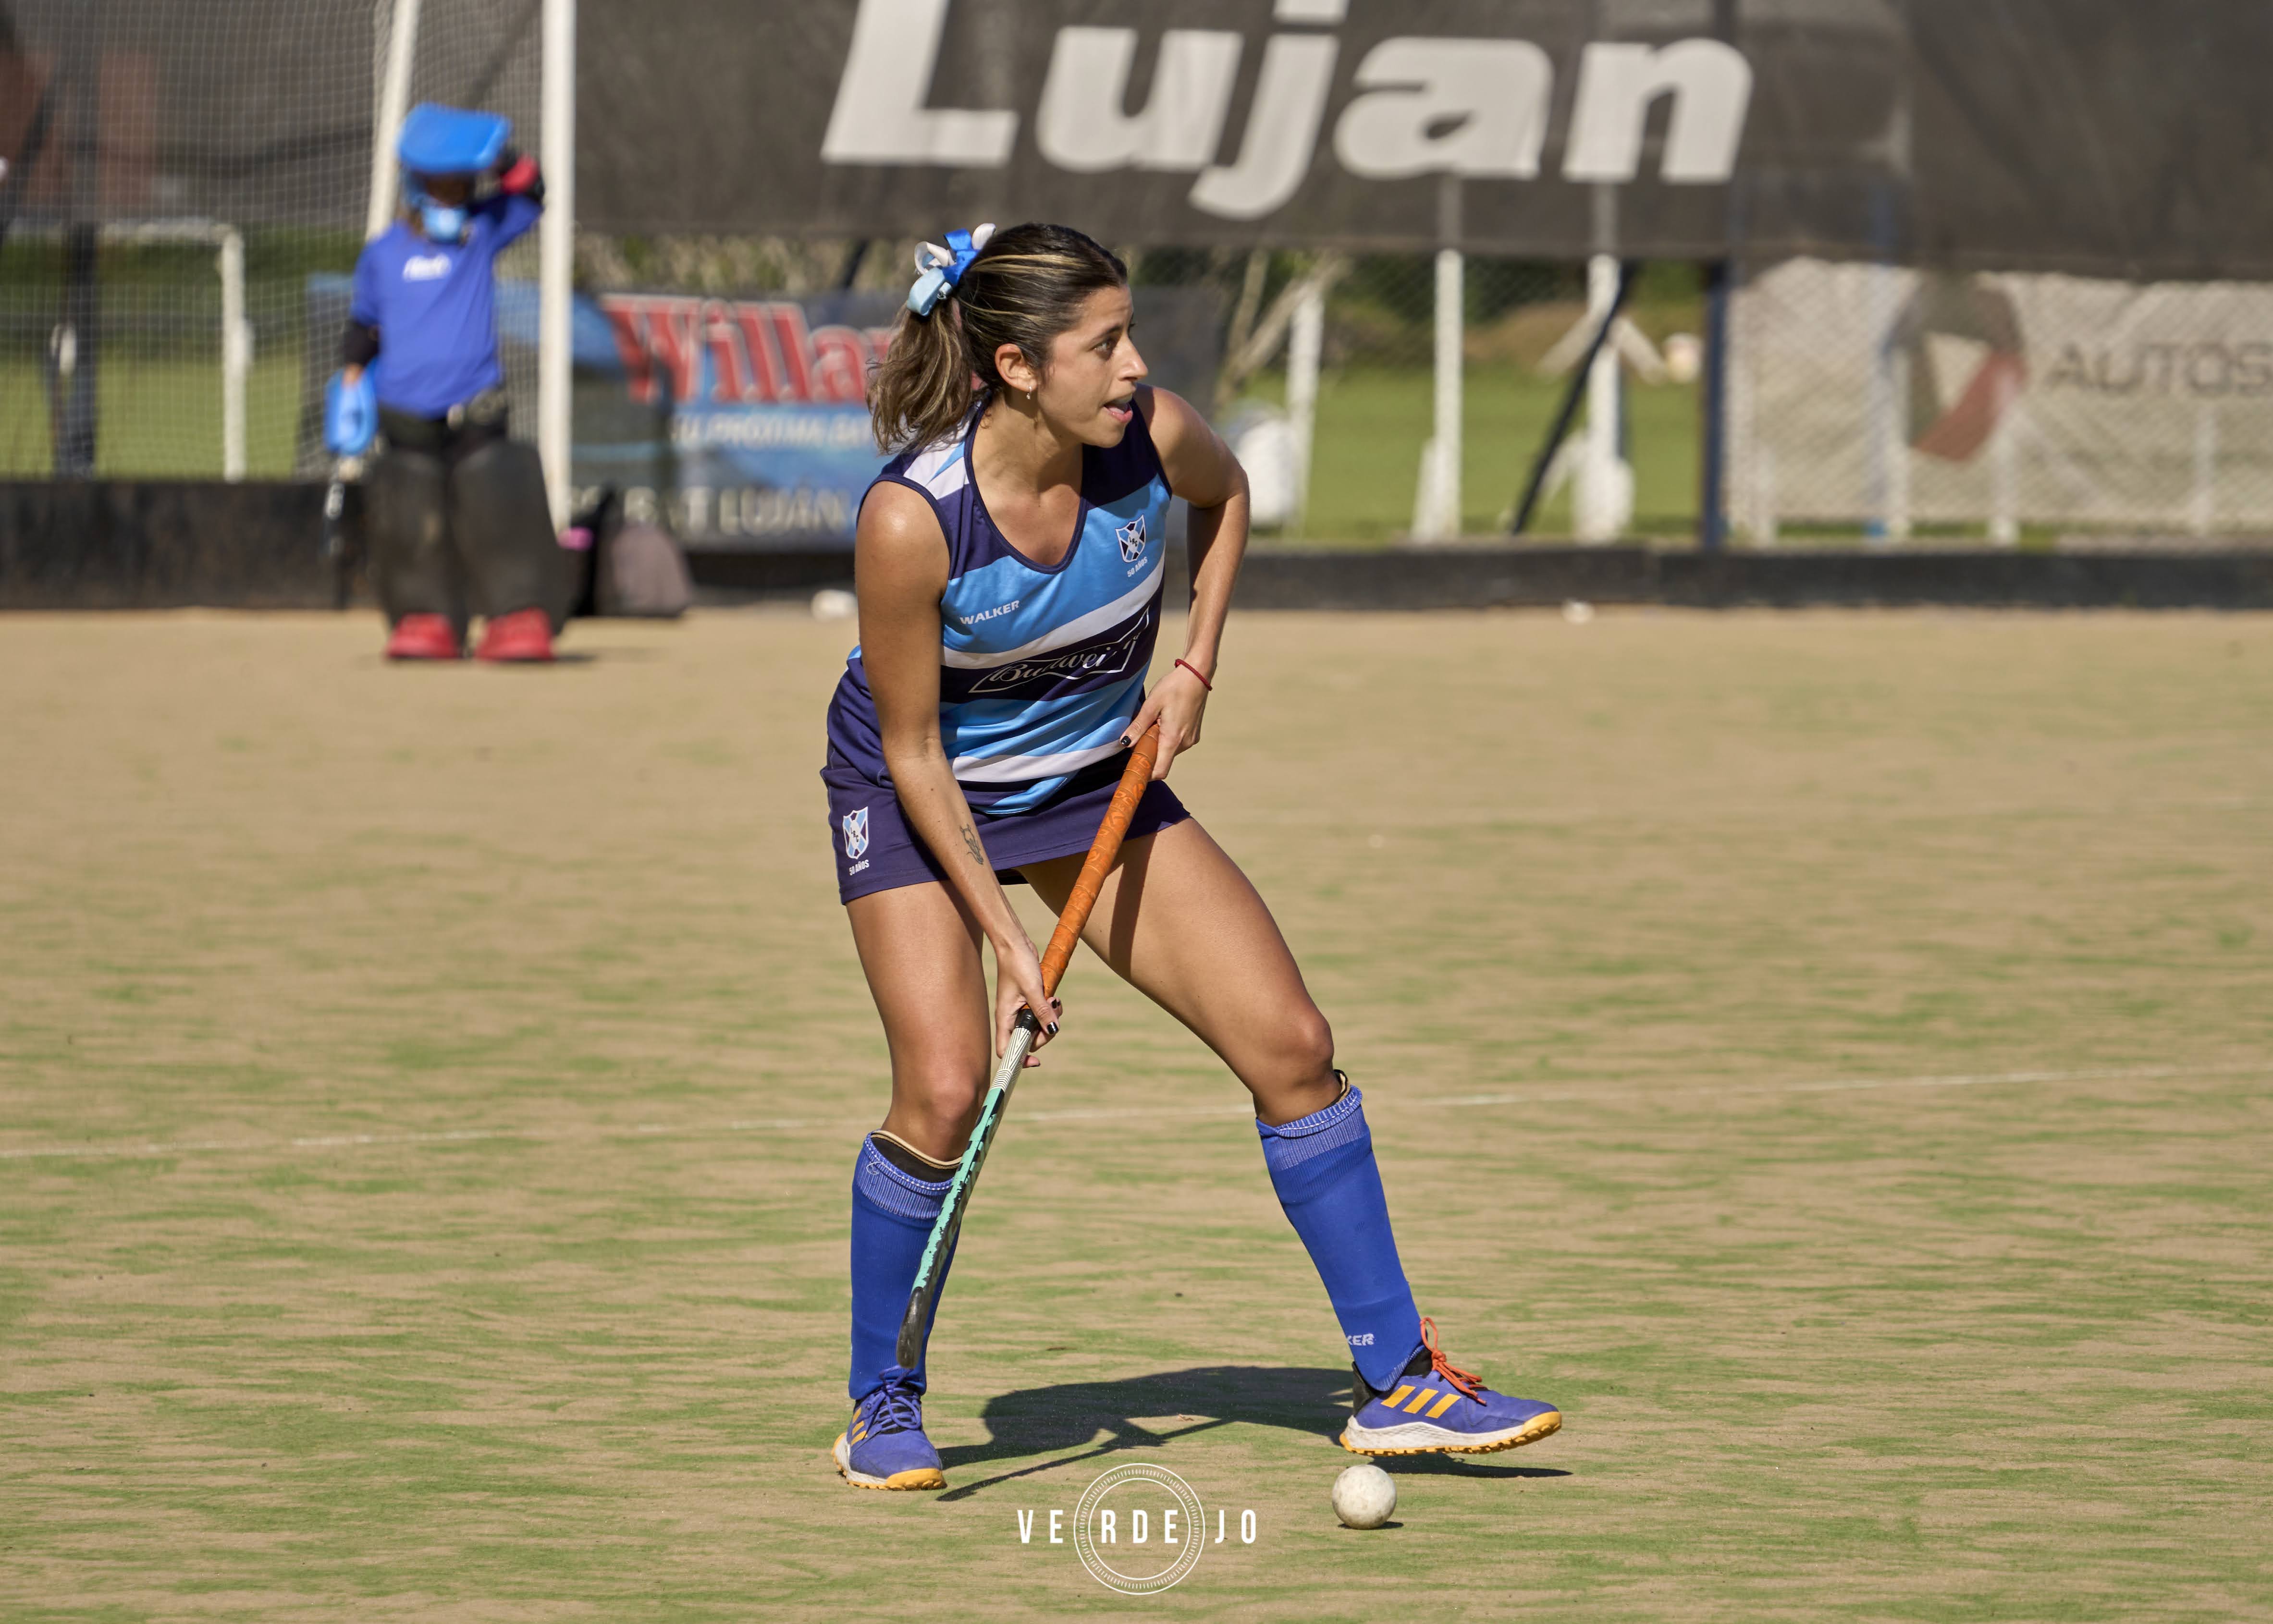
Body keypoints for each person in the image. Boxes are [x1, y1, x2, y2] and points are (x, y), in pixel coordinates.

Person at [824, 222, 1562, 1491]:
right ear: (1014, 365)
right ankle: (881, 1399)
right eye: (1102, 344)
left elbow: (1226, 504)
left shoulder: (1151, 439)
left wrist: (1194, 663)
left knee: (1291, 1041)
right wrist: (1007, 945)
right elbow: (910, 752)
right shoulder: (913, 519)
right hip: (920, 795)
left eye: (1130, 336)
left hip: (1089, 784)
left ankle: (1399, 1382)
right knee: (945, 1092)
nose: (1133, 367)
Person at [332, 102, 565, 662]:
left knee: (495, 496)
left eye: (459, 184)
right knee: (410, 502)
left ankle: (516, 614)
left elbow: (532, 194)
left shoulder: (483, 230)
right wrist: (349, 380)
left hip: (475, 399)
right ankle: (425, 615)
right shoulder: (383, 255)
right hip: (405, 407)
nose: (449, 195)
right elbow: (367, 324)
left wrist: (499, 155)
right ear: (414, 186)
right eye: (439, 185)